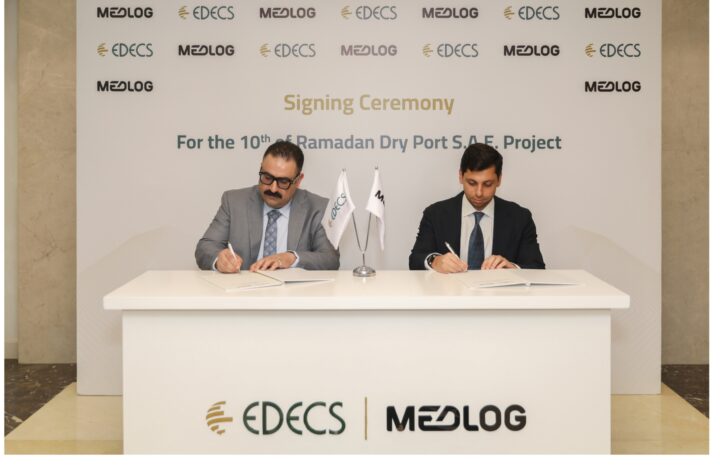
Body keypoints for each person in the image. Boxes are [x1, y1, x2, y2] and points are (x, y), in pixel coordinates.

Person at [195, 141, 339, 272]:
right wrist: (219, 259)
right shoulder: (234, 201)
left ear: (298, 180)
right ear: (260, 169)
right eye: (267, 178)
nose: (273, 188)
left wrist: (292, 258)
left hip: (294, 291)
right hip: (244, 289)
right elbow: (205, 247)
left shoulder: (318, 208)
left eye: (283, 182)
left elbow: (330, 259)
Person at [409, 143, 545, 273]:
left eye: (487, 184)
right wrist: (435, 261)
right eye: (472, 183)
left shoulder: (520, 218)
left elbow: (536, 267)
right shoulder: (435, 214)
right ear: (460, 176)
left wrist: (512, 268)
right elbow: (415, 260)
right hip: (449, 290)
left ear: (499, 180)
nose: (479, 193)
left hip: (500, 290)